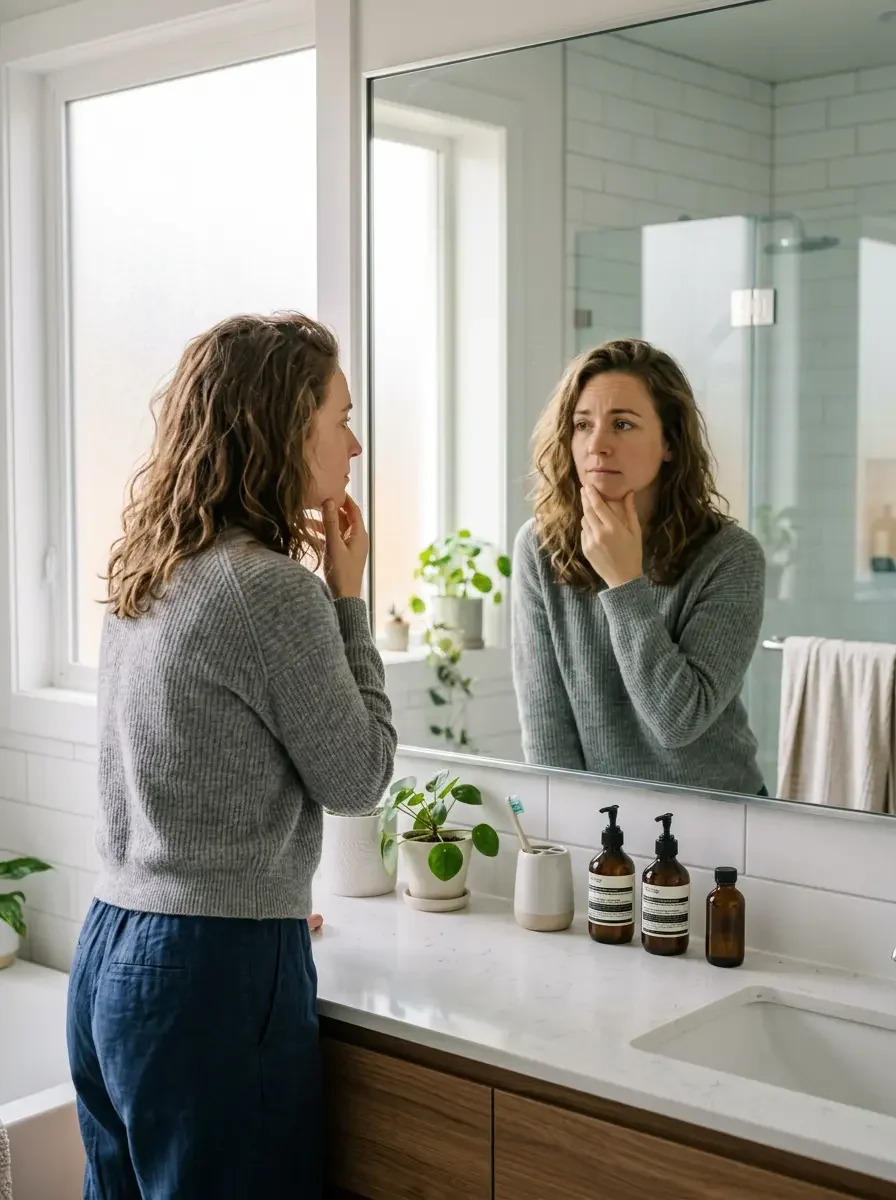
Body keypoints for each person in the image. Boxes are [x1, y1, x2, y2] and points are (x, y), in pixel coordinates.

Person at [66, 312, 397, 1198]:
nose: (355, 444)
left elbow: (185, 770)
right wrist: (350, 600)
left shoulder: (151, 566)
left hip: (113, 952)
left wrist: (259, 901)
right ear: (287, 425)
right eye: (341, 417)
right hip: (206, 977)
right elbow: (360, 776)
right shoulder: (270, 591)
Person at [512, 338, 765, 796]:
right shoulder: (539, 547)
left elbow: (678, 721)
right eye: (582, 425)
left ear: (669, 442)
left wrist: (624, 581)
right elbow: (547, 731)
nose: (598, 445)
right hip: (602, 826)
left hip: (723, 821)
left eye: (623, 424)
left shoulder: (731, 556)